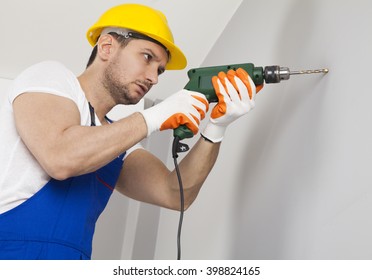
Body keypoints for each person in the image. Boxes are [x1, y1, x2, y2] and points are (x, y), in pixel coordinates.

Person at [0, 3, 261, 260]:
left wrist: (216, 129)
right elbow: (60, 157)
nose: (154, 78)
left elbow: (175, 194)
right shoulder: (50, 77)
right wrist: (153, 117)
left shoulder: (118, 145)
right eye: (147, 58)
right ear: (107, 47)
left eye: (159, 70)